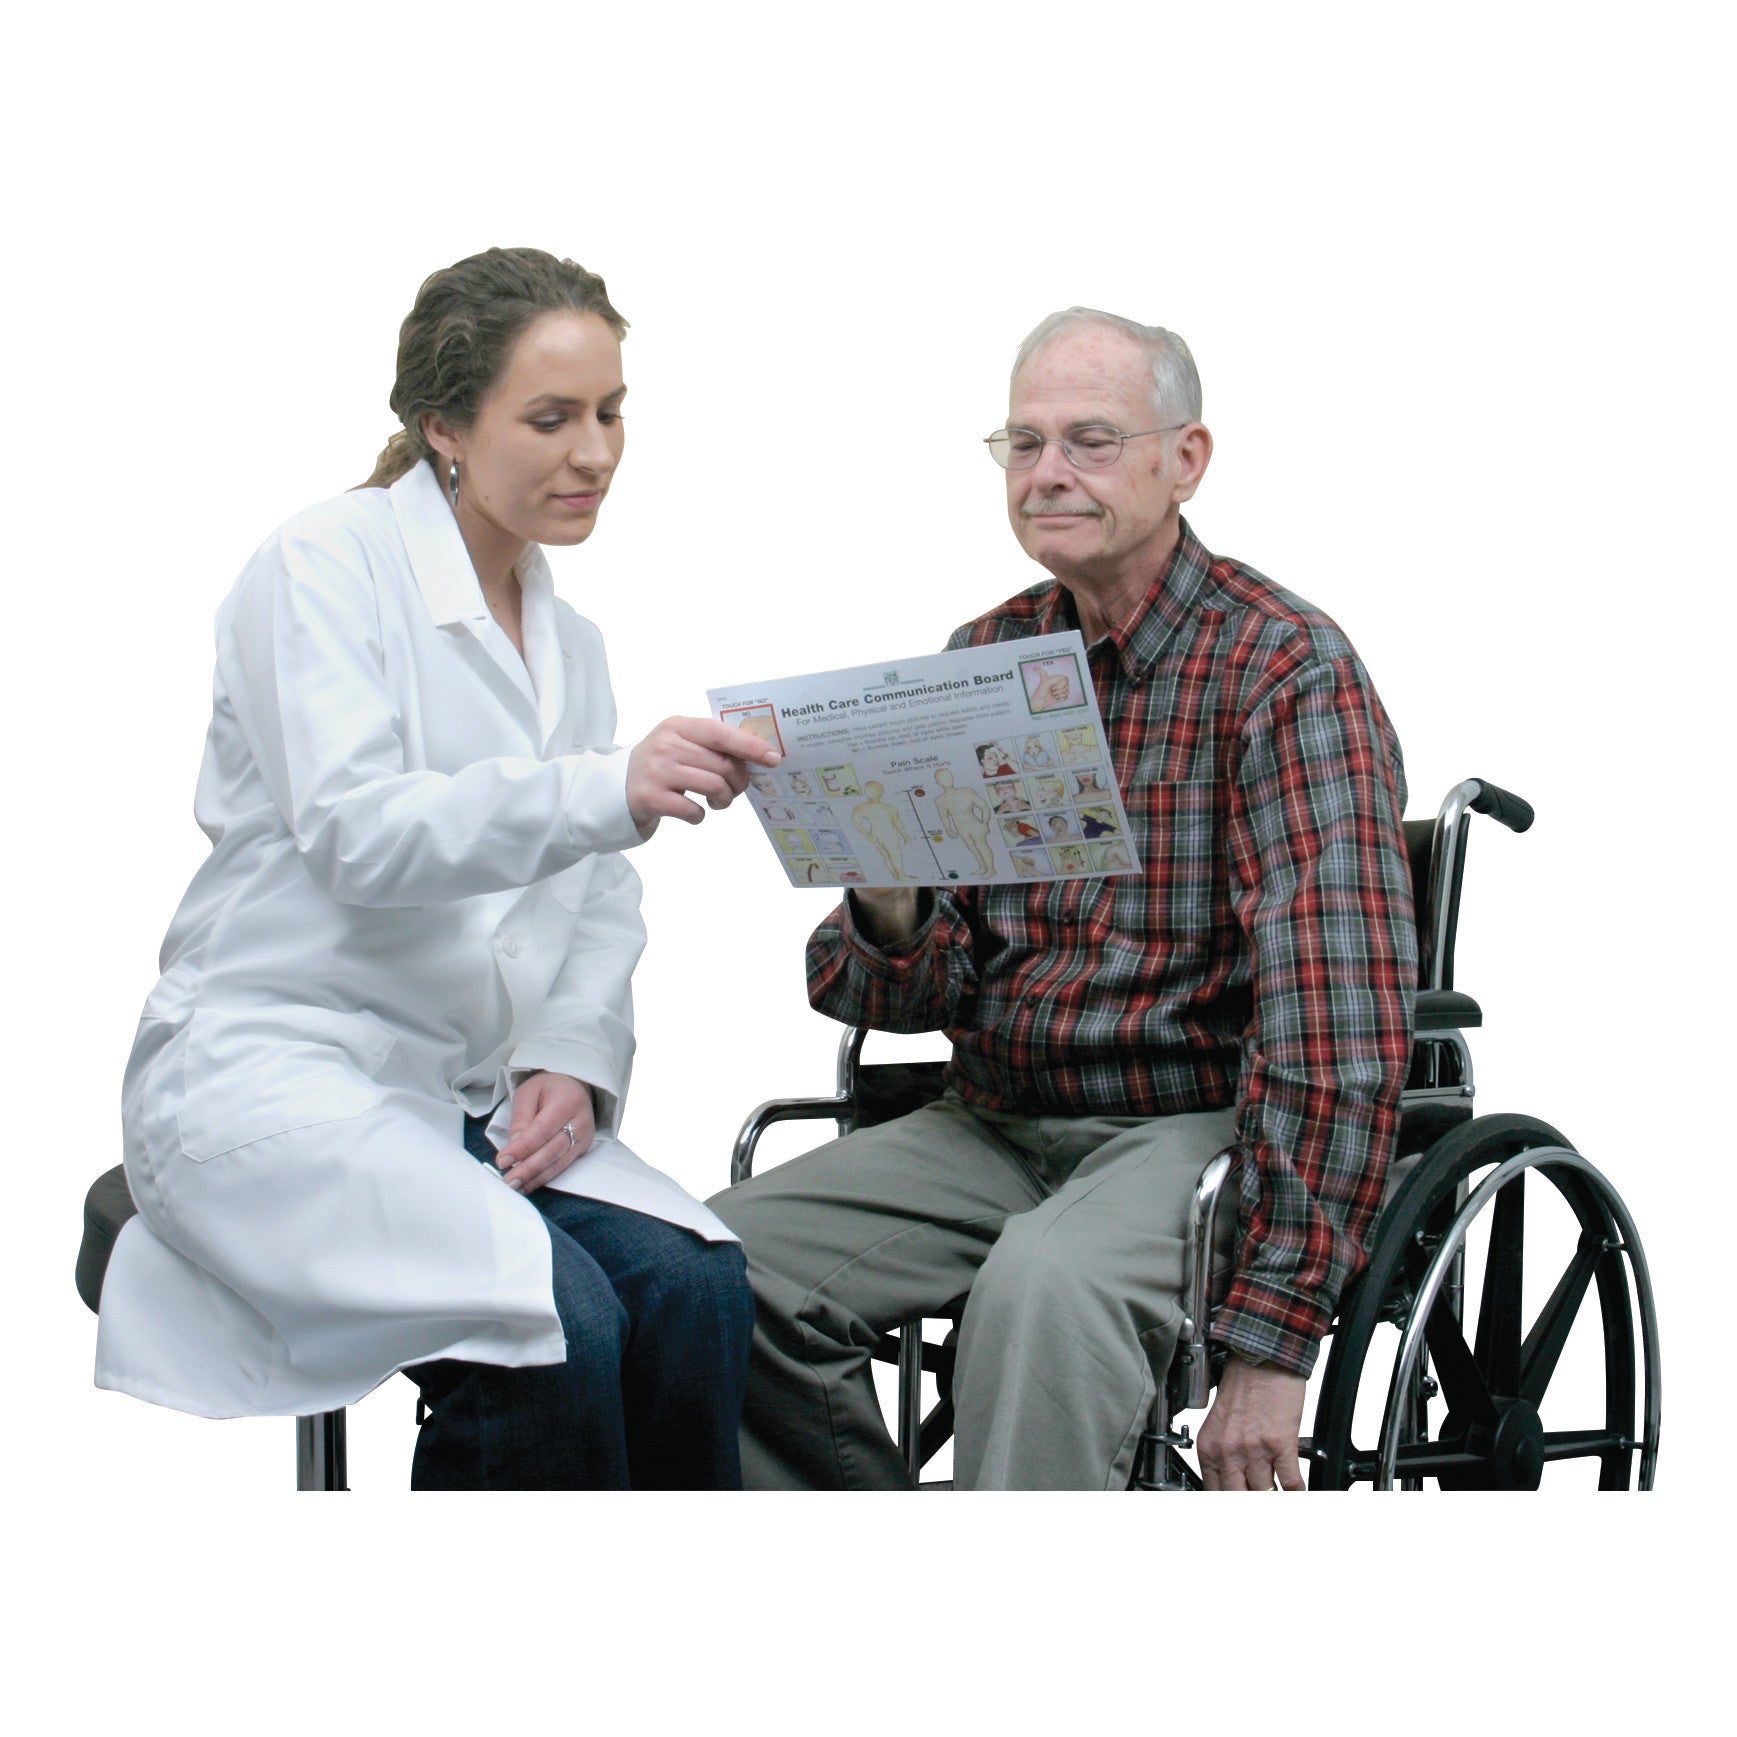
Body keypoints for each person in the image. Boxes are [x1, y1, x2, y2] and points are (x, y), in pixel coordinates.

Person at [95, 247, 777, 1489]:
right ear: (444, 425)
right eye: (552, 417)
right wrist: (605, 784)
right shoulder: (320, 566)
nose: (596, 453)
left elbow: (594, 892)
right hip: (272, 1074)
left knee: (695, 1288)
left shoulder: (569, 638)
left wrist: (572, 1054)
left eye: (613, 412)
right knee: (552, 1324)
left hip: (451, 1098)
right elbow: (359, 831)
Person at [708, 307, 1415, 1490]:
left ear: (1183, 460)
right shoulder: (986, 659)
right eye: (1022, 444)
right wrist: (890, 899)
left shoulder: (1284, 670)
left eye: (1089, 440)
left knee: (1043, 1289)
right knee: (708, 1267)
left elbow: (1334, 1027)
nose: (1047, 475)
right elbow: (903, 998)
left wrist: (1273, 1347)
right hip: (988, 1116)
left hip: (1190, 1126)